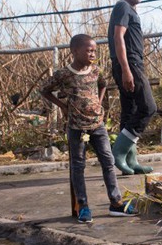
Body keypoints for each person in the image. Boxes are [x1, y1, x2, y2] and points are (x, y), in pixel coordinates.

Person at [40, 34, 136, 223]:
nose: (93, 53)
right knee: (78, 166)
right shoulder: (64, 74)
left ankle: (116, 202)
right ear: (74, 51)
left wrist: (99, 104)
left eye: (94, 50)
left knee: (108, 161)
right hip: (77, 128)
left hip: (98, 125)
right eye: (88, 50)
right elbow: (44, 90)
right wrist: (63, 106)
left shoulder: (96, 71)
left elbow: (103, 86)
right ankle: (82, 206)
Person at [107, 0, 155, 175]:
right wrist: (127, 69)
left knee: (130, 111)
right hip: (130, 64)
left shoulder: (130, 10)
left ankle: (131, 160)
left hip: (130, 64)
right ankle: (118, 152)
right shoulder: (123, 6)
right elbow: (118, 37)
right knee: (148, 107)